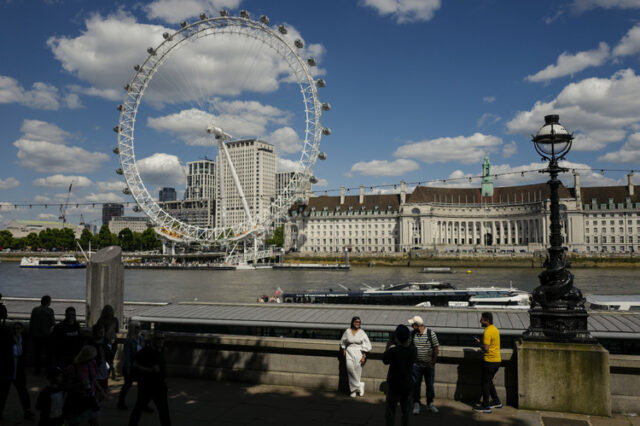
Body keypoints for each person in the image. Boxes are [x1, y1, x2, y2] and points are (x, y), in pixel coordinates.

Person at [128, 331, 171, 426]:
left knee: (164, 411)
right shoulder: (145, 351)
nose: (161, 340)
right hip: (147, 386)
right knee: (138, 409)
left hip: (160, 386)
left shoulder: (161, 350)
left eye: (162, 338)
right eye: (158, 338)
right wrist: (150, 370)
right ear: (153, 340)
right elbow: (135, 366)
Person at [64, 345, 106, 426]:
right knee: (74, 422)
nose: (92, 359)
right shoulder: (73, 368)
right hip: (77, 399)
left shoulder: (92, 363)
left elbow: (94, 379)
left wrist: (101, 391)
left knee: (95, 421)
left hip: (90, 397)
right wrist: (80, 385)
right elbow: (66, 386)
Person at [383, 325, 416, 426]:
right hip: (407, 383)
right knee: (405, 410)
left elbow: (385, 360)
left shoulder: (394, 351)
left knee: (391, 410)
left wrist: (388, 346)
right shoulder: (413, 350)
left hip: (394, 383)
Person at [0, 322, 34, 420]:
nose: (16, 330)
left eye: (18, 328)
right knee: (4, 392)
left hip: (17, 369)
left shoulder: (21, 339)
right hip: (9, 369)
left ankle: (27, 410)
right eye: (15, 328)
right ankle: (26, 411)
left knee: (21, 391)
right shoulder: (10, 340)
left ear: (22, 329)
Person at [408, 315, 439, 414]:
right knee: (416, 386)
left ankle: (430, 403)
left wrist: (433, 363)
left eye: (413, 324)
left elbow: (436, 348)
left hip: (428, 366)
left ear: (417, 325)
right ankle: (416, 403)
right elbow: (409, 347)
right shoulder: (412, 334)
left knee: (430, 385)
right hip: (416, 365)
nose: (412, 326)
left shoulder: (431, 334)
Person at [473, 312, 502, 413]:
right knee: (488, 381)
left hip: (489, 361)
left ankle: (486, 406)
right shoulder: (495, 329)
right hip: (497, 360)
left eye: (482, 319)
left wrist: (479, 343)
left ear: (486, 320)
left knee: (485, 383)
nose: (480, 321)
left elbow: (486, 349)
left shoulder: (487, 331)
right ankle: (496, 401)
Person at [340, 316, 372, 397]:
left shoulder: (362, 332)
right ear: (352, 322)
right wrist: (344, 349)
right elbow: (343, 341)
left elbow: (367, 345)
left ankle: (353, 391)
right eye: (356, 322)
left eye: (359, 322)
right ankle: (359, 385)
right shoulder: (347, 331)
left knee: (357, 371)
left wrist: (363, 356)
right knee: (350, 369)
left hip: (359, 352)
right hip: (349, 351)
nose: (357, 323)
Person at [118, 321, 144, 410]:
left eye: (139, 327)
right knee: (127, 385)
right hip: (132, 367)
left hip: (140, 367)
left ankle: (142, 404)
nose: (139, 329)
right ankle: (121, 402)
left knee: (142, 386)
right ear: (132, 329)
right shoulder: (128, 341)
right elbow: (127, 356)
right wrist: (128, 368)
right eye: (137, 327)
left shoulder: (140, 338)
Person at [30, 295, 55, 375]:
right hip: (47, 335)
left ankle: (37, 370)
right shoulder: (50, 310)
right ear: (48, 302)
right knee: (48, 354)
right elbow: (53, 323)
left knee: (37, 354)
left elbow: (32, 322)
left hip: (36, 335)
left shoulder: (35, 310)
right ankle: (47, 370)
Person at [95, 305, 119, 380]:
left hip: (110, 342)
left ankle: (109, 372)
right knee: (108, 359)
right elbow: (116, 330)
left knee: (108, 359)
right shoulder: (114, 320)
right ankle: (110, 372)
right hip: (110, 341)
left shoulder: (103, 319)